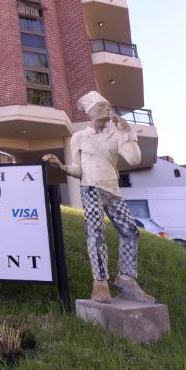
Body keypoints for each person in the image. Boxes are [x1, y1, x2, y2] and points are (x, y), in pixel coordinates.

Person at [44, 90, 155, 304]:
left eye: (108, 105)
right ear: (92, 111)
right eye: (103, 105)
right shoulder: (79, 137)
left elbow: (133, 159)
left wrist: (127, 132)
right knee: (96, 232)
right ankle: (100, 282)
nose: (108, 108)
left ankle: (126, 278)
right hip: (91, 189)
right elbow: (78, 170)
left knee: (131, 231)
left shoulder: (115, 133)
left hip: (112, 190)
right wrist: (62, 166)